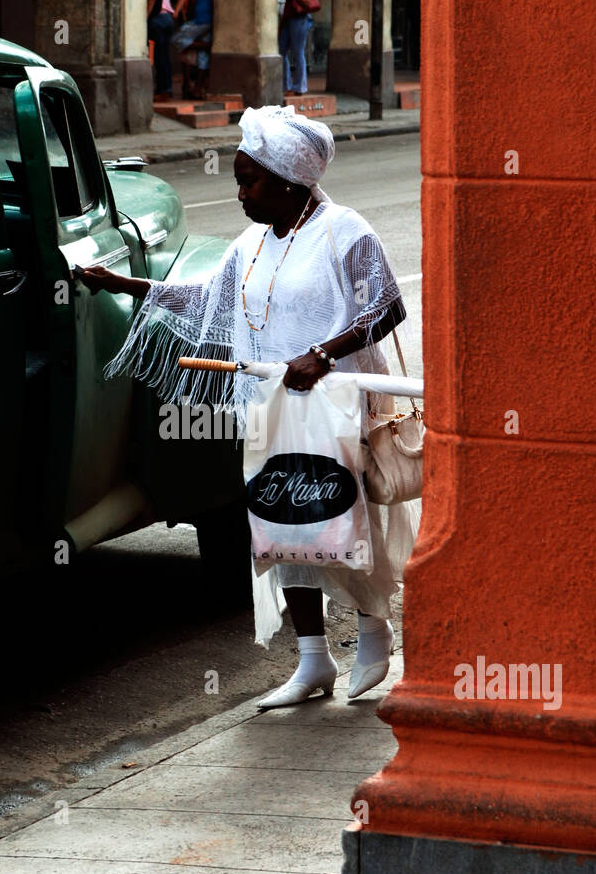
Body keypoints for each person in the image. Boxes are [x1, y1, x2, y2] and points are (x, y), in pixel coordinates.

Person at [79, 105, 418, 710]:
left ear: (288, 181)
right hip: (271, 406)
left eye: (248, 181)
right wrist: (126, 285)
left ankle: (374, 636)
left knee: (345, 522)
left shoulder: (346, 231)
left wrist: (322, 354)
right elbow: (207, 298)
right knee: (282, 528)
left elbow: (386, 307)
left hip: (338, 407)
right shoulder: (253, 243)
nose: (239, 193)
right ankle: (313, 660)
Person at [171, 0, 213, 99]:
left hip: (198, 17)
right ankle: (197, 88)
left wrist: (187, 15)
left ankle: (208, 46)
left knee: (178, 39)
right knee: (202, 55)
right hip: (211, 18)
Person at [147, 0, 186, 100]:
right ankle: (167, 88)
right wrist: (175, 13)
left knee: (158, 56)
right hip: (168, 19)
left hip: (157, 20)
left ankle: (163, 90)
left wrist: (145, 17)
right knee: (165, 56)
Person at [280, 0, 314, 95]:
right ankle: (286, 85)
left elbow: (307, 1)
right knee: (281, 51)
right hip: (289, 19)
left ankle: (299, 86)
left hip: (299, 20)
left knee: (298, 51)